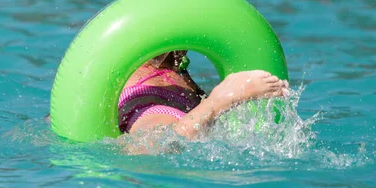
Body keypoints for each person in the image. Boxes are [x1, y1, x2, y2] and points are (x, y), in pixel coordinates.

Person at [118, 50, 289, 139]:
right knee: (155, 146)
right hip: (151, 110)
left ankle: (217, 102)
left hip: (152, 110)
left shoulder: (121, 62)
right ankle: (220, 100)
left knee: (162, 142)